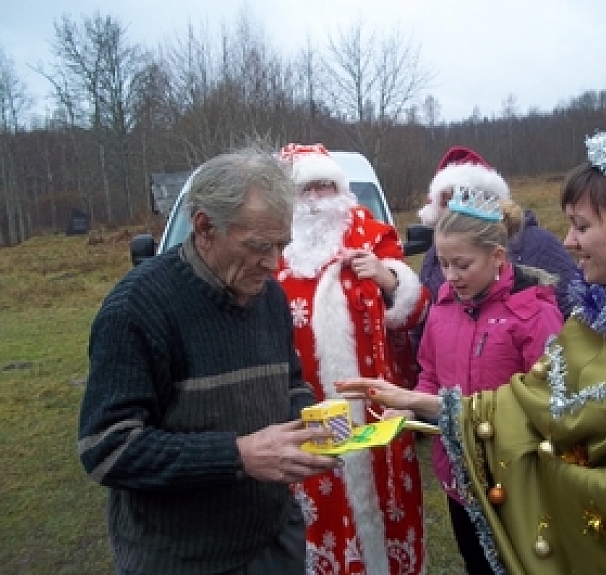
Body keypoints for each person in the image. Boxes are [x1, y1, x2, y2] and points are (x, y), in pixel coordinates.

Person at [338, 130, 606, 575]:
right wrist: (414, 401)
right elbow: (523, 404)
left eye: (582, 225)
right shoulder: (585, 327)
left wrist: (531, 463)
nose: (568, 242)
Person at [78, 148, 341, 575]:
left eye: (281, 245)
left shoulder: (268, 296)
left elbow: (290, 381)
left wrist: (306, 421)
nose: (274, 264)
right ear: (205, 227)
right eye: (259, 246)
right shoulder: (137, 309)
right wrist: (237, 455)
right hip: (181, 560)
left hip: (275, 543)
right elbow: (107, 447)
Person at [388, 187, 563, 575]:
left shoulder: (533, 313)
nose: (451, 276)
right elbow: (430, 375)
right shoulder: (443, 307)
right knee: (476, 561)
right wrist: (408, 405)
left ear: (497, 257)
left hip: (516, 477)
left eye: (462, 265)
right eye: (444, 264)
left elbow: (549, 400)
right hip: (457, 472)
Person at [276, 143, 431, 575]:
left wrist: (387, 278)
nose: (319, 197)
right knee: (320, 508)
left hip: (375, 409)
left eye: (328, 185)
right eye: (308, 188)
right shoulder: (272, 249)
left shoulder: (370, 233)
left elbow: (416, 312)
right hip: (306, 411)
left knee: (383, 507)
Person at [418, 146, 578, 317]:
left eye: (463, 198)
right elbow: (423, 329)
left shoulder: (539, 244)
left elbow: (575, 309)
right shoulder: (434, 257)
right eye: (445, 202)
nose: (454, 211)